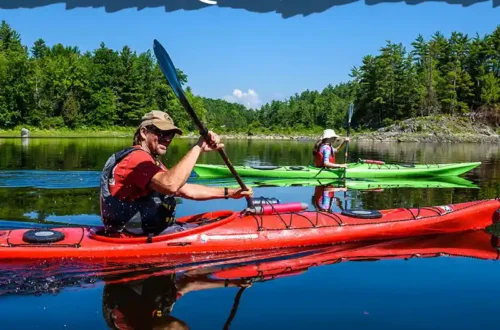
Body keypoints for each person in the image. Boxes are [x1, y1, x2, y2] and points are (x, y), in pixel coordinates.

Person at [100, 110, 253, 236]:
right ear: (144, 133)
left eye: (170, 134)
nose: (167, 139)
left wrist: (231, 193)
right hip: (134, 238)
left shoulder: (149, 162)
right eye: (161, 133)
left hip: (147, 233)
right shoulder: (137, 159)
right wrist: (198, 146)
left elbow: (185, 189)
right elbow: (171, 185)